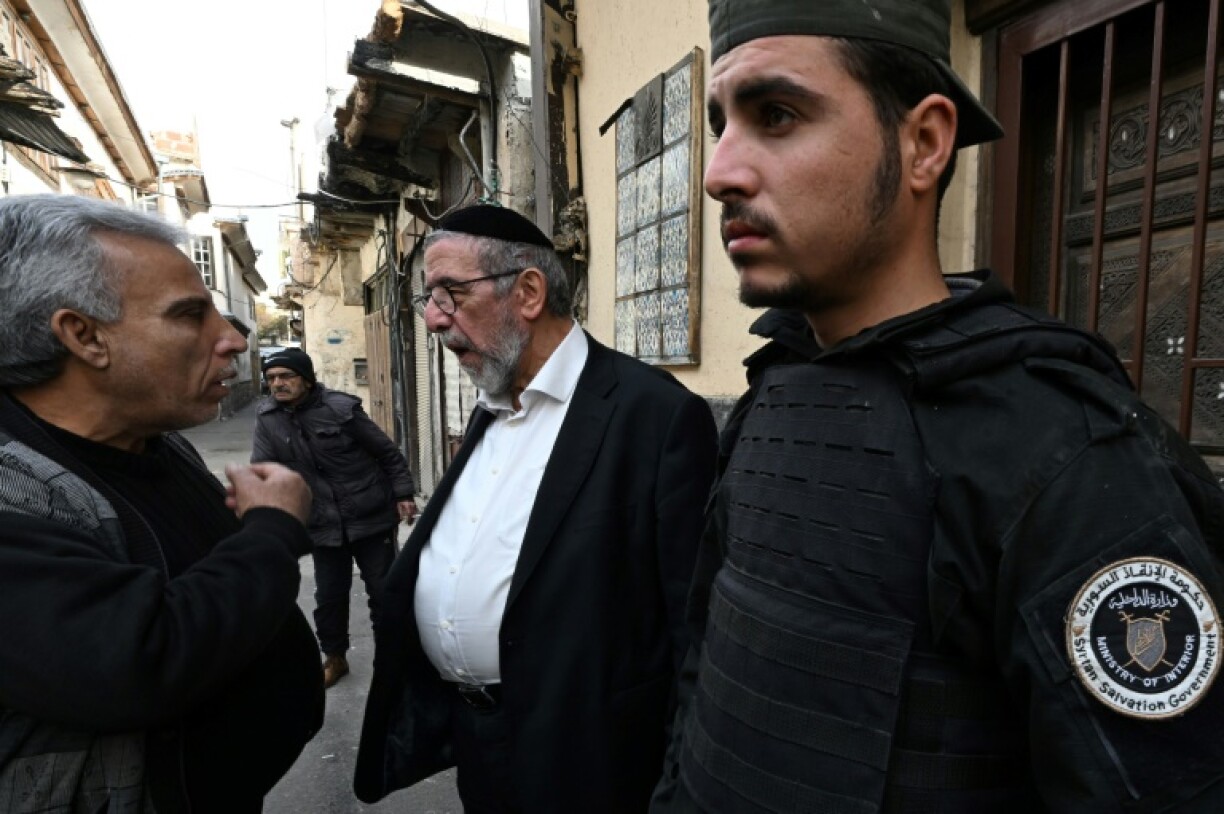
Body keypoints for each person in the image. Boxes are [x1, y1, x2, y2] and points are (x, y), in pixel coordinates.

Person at [651, 1, 1224, 812]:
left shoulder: (1060, 453)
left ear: (923, 143)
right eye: (721, 124)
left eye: (776, 115)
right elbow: (706, 678)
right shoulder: (774, 392)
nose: (719, 172)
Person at [354, 204, 718, 813]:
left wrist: (680, 786)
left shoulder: (652, 415)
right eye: (428, 299)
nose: (437, 320)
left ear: (528, 291)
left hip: (593, 757)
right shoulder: (490, 408)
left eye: (452, 292)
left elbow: (694, 627)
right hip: (477, 743)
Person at [0, 194, 323, 813]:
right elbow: (134, 662)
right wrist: (273, 529)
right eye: (189, 315)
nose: (232, 340)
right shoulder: (13, 490)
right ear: (83, 336)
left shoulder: (155, 443)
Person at [252, 347, 417, 688]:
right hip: (321, 523)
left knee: (384, 591)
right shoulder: (268, 419)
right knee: (329, 596)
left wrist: (403, 494)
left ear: (307, 380)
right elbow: (264, 470)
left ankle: (392, 660)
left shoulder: (342, 409)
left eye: (286, 376)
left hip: (369, 514)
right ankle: (334, 657)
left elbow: (387, 453)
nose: (278, 384)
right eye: (271, 379)